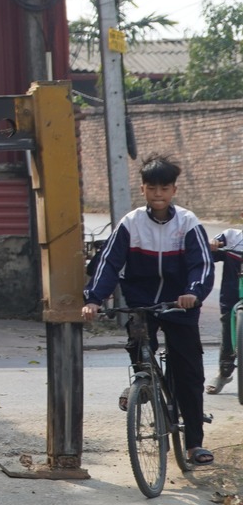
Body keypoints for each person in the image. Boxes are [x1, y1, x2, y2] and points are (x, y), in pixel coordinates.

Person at [82, 154, 216, 465]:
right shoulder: (131, 223)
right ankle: (141, 384)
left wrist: (192, 293)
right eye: (152, 188)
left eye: (164, 188)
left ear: (174, 190)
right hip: (141, 300)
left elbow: (202, 265)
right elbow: (108, 264)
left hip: (180, 303)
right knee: (140, 347)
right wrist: (93, 299)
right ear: (142, 189)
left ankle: (194, 443)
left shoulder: (188, 222)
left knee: (189, 372)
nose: (158, 194)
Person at [210, 227, 243, 393]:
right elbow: (210, 255)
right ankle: (223, 373)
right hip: (231, 295)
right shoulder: (231, 236)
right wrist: (213, 245)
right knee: (228, 329)